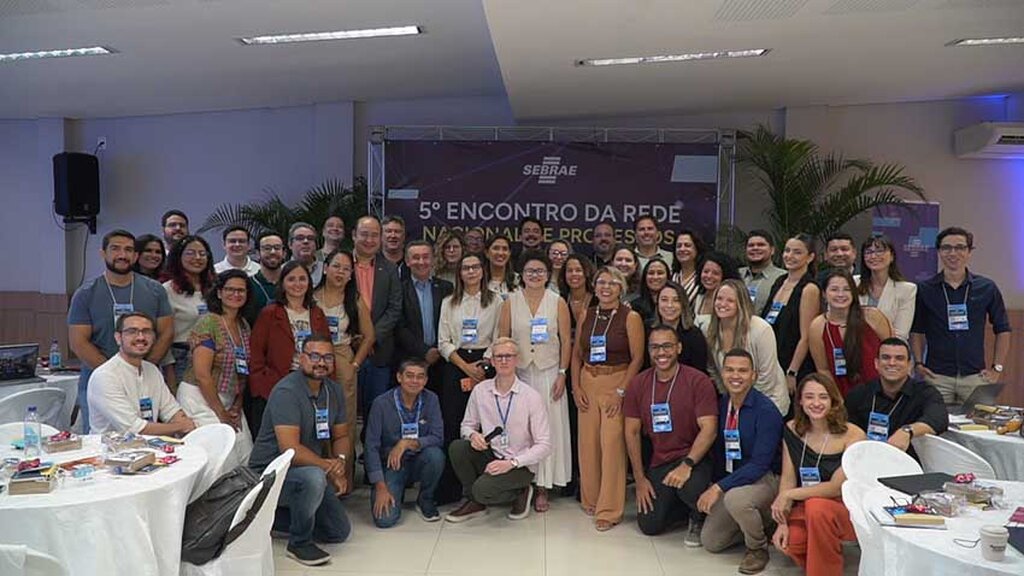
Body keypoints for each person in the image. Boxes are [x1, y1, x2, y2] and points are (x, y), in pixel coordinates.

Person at [248, 336, 351, 567]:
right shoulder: (287, 391)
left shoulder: (333, 391)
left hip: (305, 468)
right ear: (300, 359)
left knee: (339, 531)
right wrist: (328, 468)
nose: (321, 363)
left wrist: (340, 462)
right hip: (270, 472)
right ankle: (299, 542)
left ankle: (268, 519)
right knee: (314, 478)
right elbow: (290, 449)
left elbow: (342, 436)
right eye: (314, 356)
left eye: (327, 357)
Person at [69, 229, 173, 433]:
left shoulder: (154, 290)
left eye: (128, 250)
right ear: (103, 253)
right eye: (115, 249)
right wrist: (115, 374)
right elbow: (78, 342)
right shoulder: (85, 293)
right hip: (98, 379)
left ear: (135, 256)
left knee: (147, 438)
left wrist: (142, 369)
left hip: (145, 378)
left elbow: (166, 333)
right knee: (101, 444)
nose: (122, 255)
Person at [624, 326, 717, 544]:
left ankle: (697, 515)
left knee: (690, 488)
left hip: (694, 459)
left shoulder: (698, 380)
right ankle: (682, 508)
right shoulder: (638, 383)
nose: (661, 353)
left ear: (678, 348)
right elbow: (631, 431)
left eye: (667, 346)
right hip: (661, 460)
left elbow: (709, 428)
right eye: (655, 347)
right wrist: (639, 478)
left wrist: (686, 465)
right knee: (649, 525)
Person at [445, 338, 552, 522]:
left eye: (508, 356)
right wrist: (472, 435)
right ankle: (476, 501)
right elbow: (466, 425)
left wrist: (512, 463)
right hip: (492, 454)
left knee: (482, 489)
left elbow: (545, 445)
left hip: (519, 464)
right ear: (492, 361)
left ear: (516, 360)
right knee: (458, 447)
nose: (503, 361)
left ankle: (522, 491)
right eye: (499, 357)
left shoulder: (531, 397)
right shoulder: (480, 391)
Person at [571, 266, 645, 531]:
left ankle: (609, 509)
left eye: (612, 283)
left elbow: (637, 358)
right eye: (601, 282)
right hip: (588, 380)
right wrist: (575, 386)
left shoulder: (630, 316)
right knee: (588, 444)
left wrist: (622, 391)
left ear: (621, 287)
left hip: (617, 381)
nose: (605, 287)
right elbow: (578, 353)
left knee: (612, 444)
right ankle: (591, 499)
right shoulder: (586, 315)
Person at [698, 349, 784, 574]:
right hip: (734, 478)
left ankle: (757, 549)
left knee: (736, 499)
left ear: (753, 375)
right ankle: (761, 524)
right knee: (711, 541)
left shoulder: (766, 411)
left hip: (766, 478)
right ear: (723, 373)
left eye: (743, 371)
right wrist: (715, 482)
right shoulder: (722, 404)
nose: (735, 376)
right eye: (730, 370)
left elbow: (759, 465)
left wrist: (719, 488)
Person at [499, 253, 572, 512]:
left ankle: (544, 487)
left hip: (549, 372)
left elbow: (566, 341)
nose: (535, 275)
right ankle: (523, 483)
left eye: (540, 271)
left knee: (548, 428)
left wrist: (563, 373)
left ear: (548, 274)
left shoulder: (557, 302)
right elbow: (503, 339)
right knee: (521, 429)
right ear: (521, 274)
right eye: (530, 271)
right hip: (520, 374)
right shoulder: (510, 302)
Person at [771, 373, 864, 576]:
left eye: (823, 397)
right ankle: (825, 557)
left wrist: (788, 495)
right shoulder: (792, 429)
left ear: (833, 400)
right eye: (809, 397)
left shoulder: (853, 434)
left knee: (817, 507)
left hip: (843, 507)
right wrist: (782, 522)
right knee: (789, 543)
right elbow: (788, 477)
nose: (816, 403)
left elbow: (835, 487)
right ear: (801, 401)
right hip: (804, 506)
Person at [911, 226, 1012, 405]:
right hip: (937, 377)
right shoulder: (925, 289)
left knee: (980, 429)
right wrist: (918, 364)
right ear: (939, 252)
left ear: (969, 252)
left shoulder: (986, 287)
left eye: (960, 247)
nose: (953, 253)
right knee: (935, 428)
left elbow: (1003, 329)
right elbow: (916, 330)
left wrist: (997, 368)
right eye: (947, 248)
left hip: (975, 377)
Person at [435, 253, 502, 504]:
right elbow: (443, 342)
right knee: (454, 424)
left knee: (485, 424)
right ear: (459, 273)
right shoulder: (449, 302)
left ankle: (486, 486)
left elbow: (498, 336)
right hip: (456, 364)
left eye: (475, 267)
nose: (471, 271)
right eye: (466, 268)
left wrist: (483, 366)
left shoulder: (496, 301)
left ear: (483, 271)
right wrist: (465, 367)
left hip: (486, 365)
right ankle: (452, 488)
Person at [176, 270, 255, 468]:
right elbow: (202, 375)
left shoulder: (243, 325)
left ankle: (241, 499)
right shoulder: (208, 322)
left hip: (229, 399)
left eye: (241, 291)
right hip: (200, 397)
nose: (236, 294)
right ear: (219, 293)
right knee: (223, 457)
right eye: (230, 289)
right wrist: (221, 414)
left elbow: (244, 370)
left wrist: (237, 405)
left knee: (246, 453)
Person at [314, 249, 375, 488]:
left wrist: (355, 364)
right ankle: (321, 478)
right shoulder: (312, 297)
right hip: (315, 361)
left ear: (351, 275)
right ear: (325, 268)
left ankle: (343, 481)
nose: (340, 272)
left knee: (344, 423)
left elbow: (369, 336)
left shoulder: (355, 300)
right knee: (319, 420)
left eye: (346, 269)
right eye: (336, 266)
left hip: (343, 359)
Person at [249, 260, 330, 437]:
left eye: (302, 279)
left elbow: (327, 350)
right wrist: (260, 385)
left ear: (309, 283)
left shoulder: (317, 313)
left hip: (311, 382)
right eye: (291, 279)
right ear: (283, 283)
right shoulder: (270, 313)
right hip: (278, 382)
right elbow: (256, 352)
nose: (297, 284)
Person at [88, 311, 196, 436]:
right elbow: (135, 429)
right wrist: (180, 426)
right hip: (111, 451)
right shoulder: (105, 376)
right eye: (132, 332)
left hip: (150, 446)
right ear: (118, 338)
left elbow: (171, 411)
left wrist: (185, 424)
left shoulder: (152, 370)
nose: (141, 337)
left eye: (146, 331)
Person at [365, 358, 445, 527]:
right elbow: (371, 447)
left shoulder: (431, 400)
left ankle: (425, 499)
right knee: (385, 521)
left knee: (436, 455)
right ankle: (395, 489)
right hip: (392, 464)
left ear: (425, 380)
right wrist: (380, 486)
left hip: (419, 458)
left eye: (420, 377)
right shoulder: (381, 403)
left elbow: (438, 437)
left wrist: (406, 443)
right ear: (399, 377)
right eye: (409, 376)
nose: (415, 381)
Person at [846, 337, 949, 460]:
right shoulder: (860, 393)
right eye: (886, 357)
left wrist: (907, 431)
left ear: (909, 365)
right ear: (876, 363)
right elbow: (844, 426)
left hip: (908, 463)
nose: (892, 363)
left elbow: (939, 419)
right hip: (866, 459)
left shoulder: (924, 392)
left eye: (899, 358)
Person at [351, 215, 403, 440]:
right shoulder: (341, 263)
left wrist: (370, 339)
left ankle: (371, 462)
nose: (369, 240)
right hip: (346, 348)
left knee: (375, 411)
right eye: (364, 234)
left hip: (379, 352)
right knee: (346, 411)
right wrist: (354, 336)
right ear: (354, 235)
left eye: (374, 235)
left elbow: (394, 308)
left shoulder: (389, 268)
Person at [704, 280, 790, 415]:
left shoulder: (761, 329)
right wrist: (730, 397)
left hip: (768, 401)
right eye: (719, 299)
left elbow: (767, 377)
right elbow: (714, 370)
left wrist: (746, 404)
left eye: (730, 300)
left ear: (741, 304)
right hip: (734, 401)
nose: (722, 304)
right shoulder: (709, 330)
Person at [809, 270, 892, 397]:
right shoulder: (818, 326)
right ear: (824, 294)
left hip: (881, 393)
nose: (840, 294)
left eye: (846, 289)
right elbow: (823, 369)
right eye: (834, 289)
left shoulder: (872, 316)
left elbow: (893, 352)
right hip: (842, 395)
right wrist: (837, 400)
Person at [761, 234, 820, 393]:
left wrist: (792, 372)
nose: (789, 256)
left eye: (797, 252)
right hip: (771, 363)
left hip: (793, 365)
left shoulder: (809, 289)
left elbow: (806, 337)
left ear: (810, 257)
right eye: (787, 251)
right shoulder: (779, 281)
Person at [559, 253, 598, 493]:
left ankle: (588, 478)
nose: (574, 275)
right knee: (568, 425)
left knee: (588, 429)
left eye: (578, 270)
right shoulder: (558, 301)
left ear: (586, 273)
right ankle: (570, 478)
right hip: (563, 368)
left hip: (594, 371)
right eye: (569, 271)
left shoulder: (598, 301)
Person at [396, 240, 454, 395]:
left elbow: (452, 323)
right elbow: (399, 326)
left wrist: (438, 350)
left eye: (426, 257)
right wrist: (424, 352)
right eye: (415, 257)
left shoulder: (446, 288)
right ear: (407, 261)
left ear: (433, 260)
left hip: (442, 360)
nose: (421, 262)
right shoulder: (399, 289)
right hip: (410, 360)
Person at [162, 235, 216, 392]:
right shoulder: (167, 290)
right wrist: (170, 375)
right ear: (178, 257)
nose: (197, 258)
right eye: (191, 253)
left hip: (216, 358)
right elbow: (164, 335)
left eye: (202, 253)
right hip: (182, 358)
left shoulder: (216, 287)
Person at [856, 235, 917, 341]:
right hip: (856, 348)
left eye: (879, 251)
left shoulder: (907, 290)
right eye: (869, 252)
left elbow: (901, 334)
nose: (874, 256)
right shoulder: (853, 283)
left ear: (892, 256)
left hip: (890, 351)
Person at [653, 281, 709, 374]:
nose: (669, 305)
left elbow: (699, 373)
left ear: (683, 305)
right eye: (664, 299)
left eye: (676, 300)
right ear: (657, 303)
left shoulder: (694, 336)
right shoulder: (647, 330)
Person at [739, 230, 785, 315]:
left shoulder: (783, 278)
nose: (755, 248)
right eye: (751, 245)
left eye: (761, 245)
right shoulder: (736, 274)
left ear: (772, 250)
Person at [247, 231, 286, 321]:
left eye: (277, 248)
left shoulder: (292, 284)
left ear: (284, 253)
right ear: (257, 254)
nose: (272, 252)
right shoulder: (248, 284)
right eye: (267, 248)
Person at [693, 252, 741, 321]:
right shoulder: (699, 297)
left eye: (715, 273)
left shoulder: (731, 302)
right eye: (706, 271)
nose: (709, 276)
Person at [671, 228, 707, 308]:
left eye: (687, 245)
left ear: (697, 248)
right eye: (679, 246)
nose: (682, 249)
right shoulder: (671, 277)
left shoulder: (704, 277)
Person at [630, 258, 671, 326]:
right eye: (651, 273)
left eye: (660, 273)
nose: (655, 277)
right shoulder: (634, 306)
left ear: (667, 276)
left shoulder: (676, 303)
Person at [288, 222, 323, 286]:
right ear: (290, 244)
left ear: (316, 245)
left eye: (310, 238)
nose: (306, 241)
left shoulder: (326, 270)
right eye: (300, 238)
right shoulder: (280, 271)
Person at [486, 234, 518, 299]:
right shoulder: (478, 280)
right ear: (486, 253)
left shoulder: (519, 280)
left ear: (509, 253)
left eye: (505, 249)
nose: (500, 253)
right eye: (496, 248)